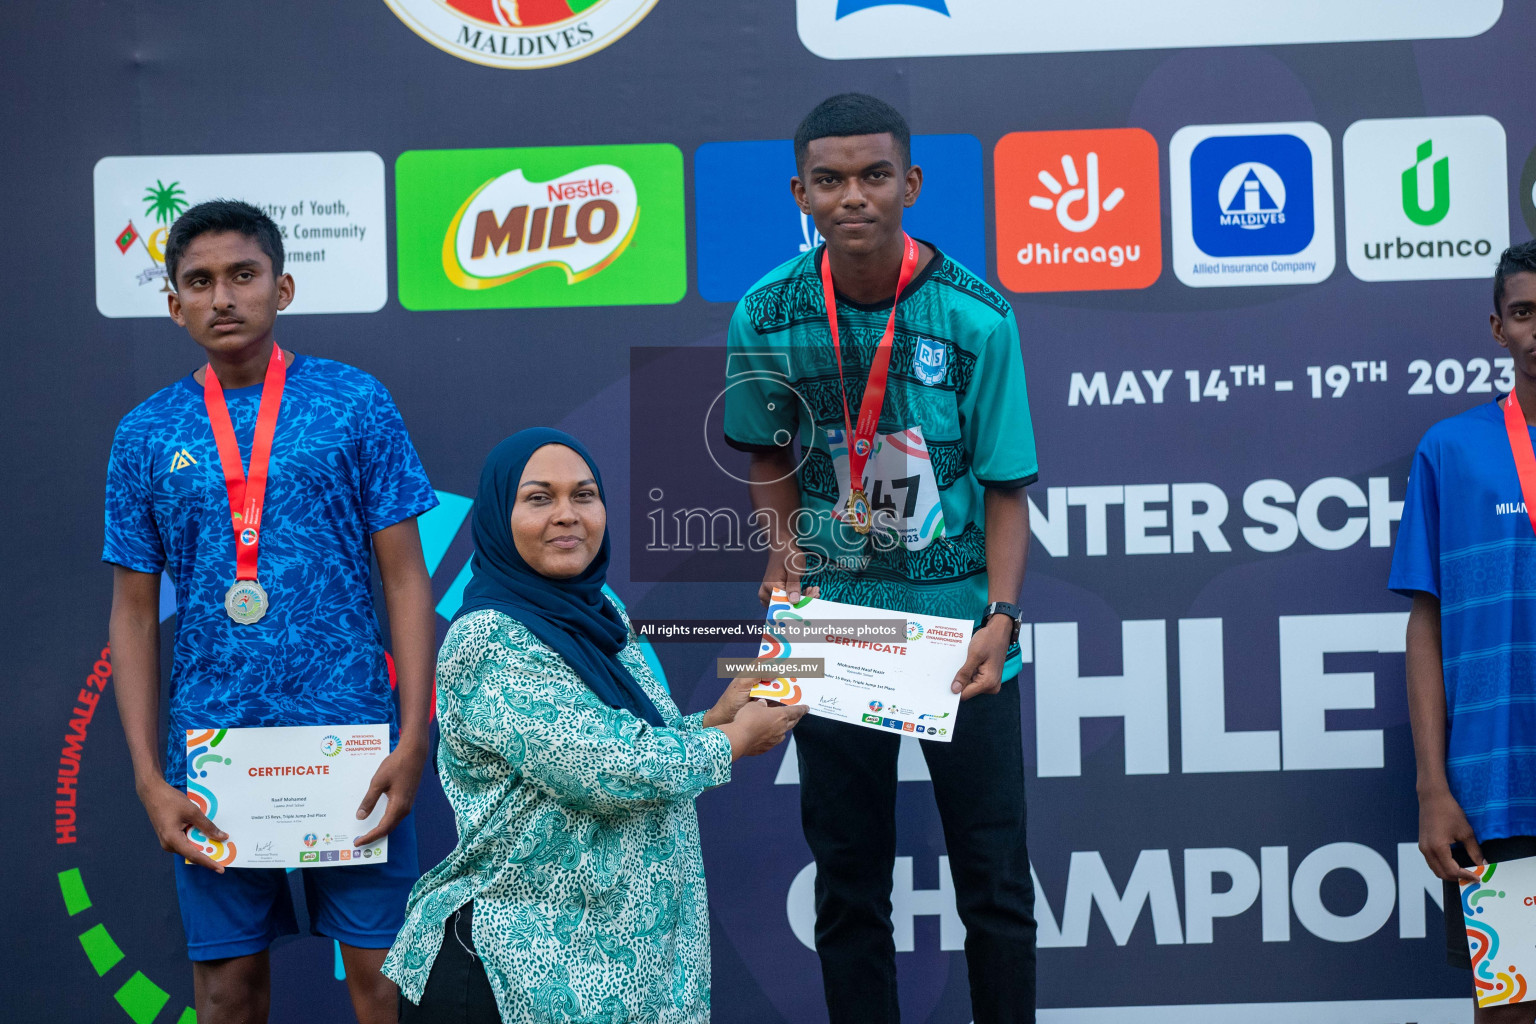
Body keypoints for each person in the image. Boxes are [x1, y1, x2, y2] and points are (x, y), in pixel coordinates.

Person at [722, 93, 1040, 1022]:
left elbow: (1006, 485)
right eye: (830, 180)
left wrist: (1003, 617)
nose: (852, 196)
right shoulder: (769, 311)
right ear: (800, 192)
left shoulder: (978, 316)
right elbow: (768, 454)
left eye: (872, 176)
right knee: (849, 883)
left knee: (994, 882)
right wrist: (783, 561)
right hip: (839, 626)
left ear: (911, 183)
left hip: (960, 634)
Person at [103, 200, 438, 1024]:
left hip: (353, 749)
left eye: (242, 275)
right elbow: (133, 616)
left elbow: (404, 579)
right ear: (173, 303)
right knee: (226, 992)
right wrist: (150, 778)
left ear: (282, 287)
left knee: (385, 982)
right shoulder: (144, 434)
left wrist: (411, 737)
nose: (223, 296)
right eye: (199, 281)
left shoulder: (354, 403)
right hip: (215, 758)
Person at [385, 428, 806, 1024]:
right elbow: (603, 768)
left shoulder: (601, 613)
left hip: (623, 971)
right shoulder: (487, 638)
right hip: (520, 972)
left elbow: (619, 739)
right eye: (538, 498)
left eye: (584, 495)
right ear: (500, 517)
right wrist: (731, 741)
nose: (566, 515)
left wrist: (710, 720)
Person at [1393, 240, 1536, 1024]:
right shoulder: (1450, 449)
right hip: (1496, 797)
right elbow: (1425, 627)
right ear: (1497, 328)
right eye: (1524, 312)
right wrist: (1433, 788)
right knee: (1511, 1013)